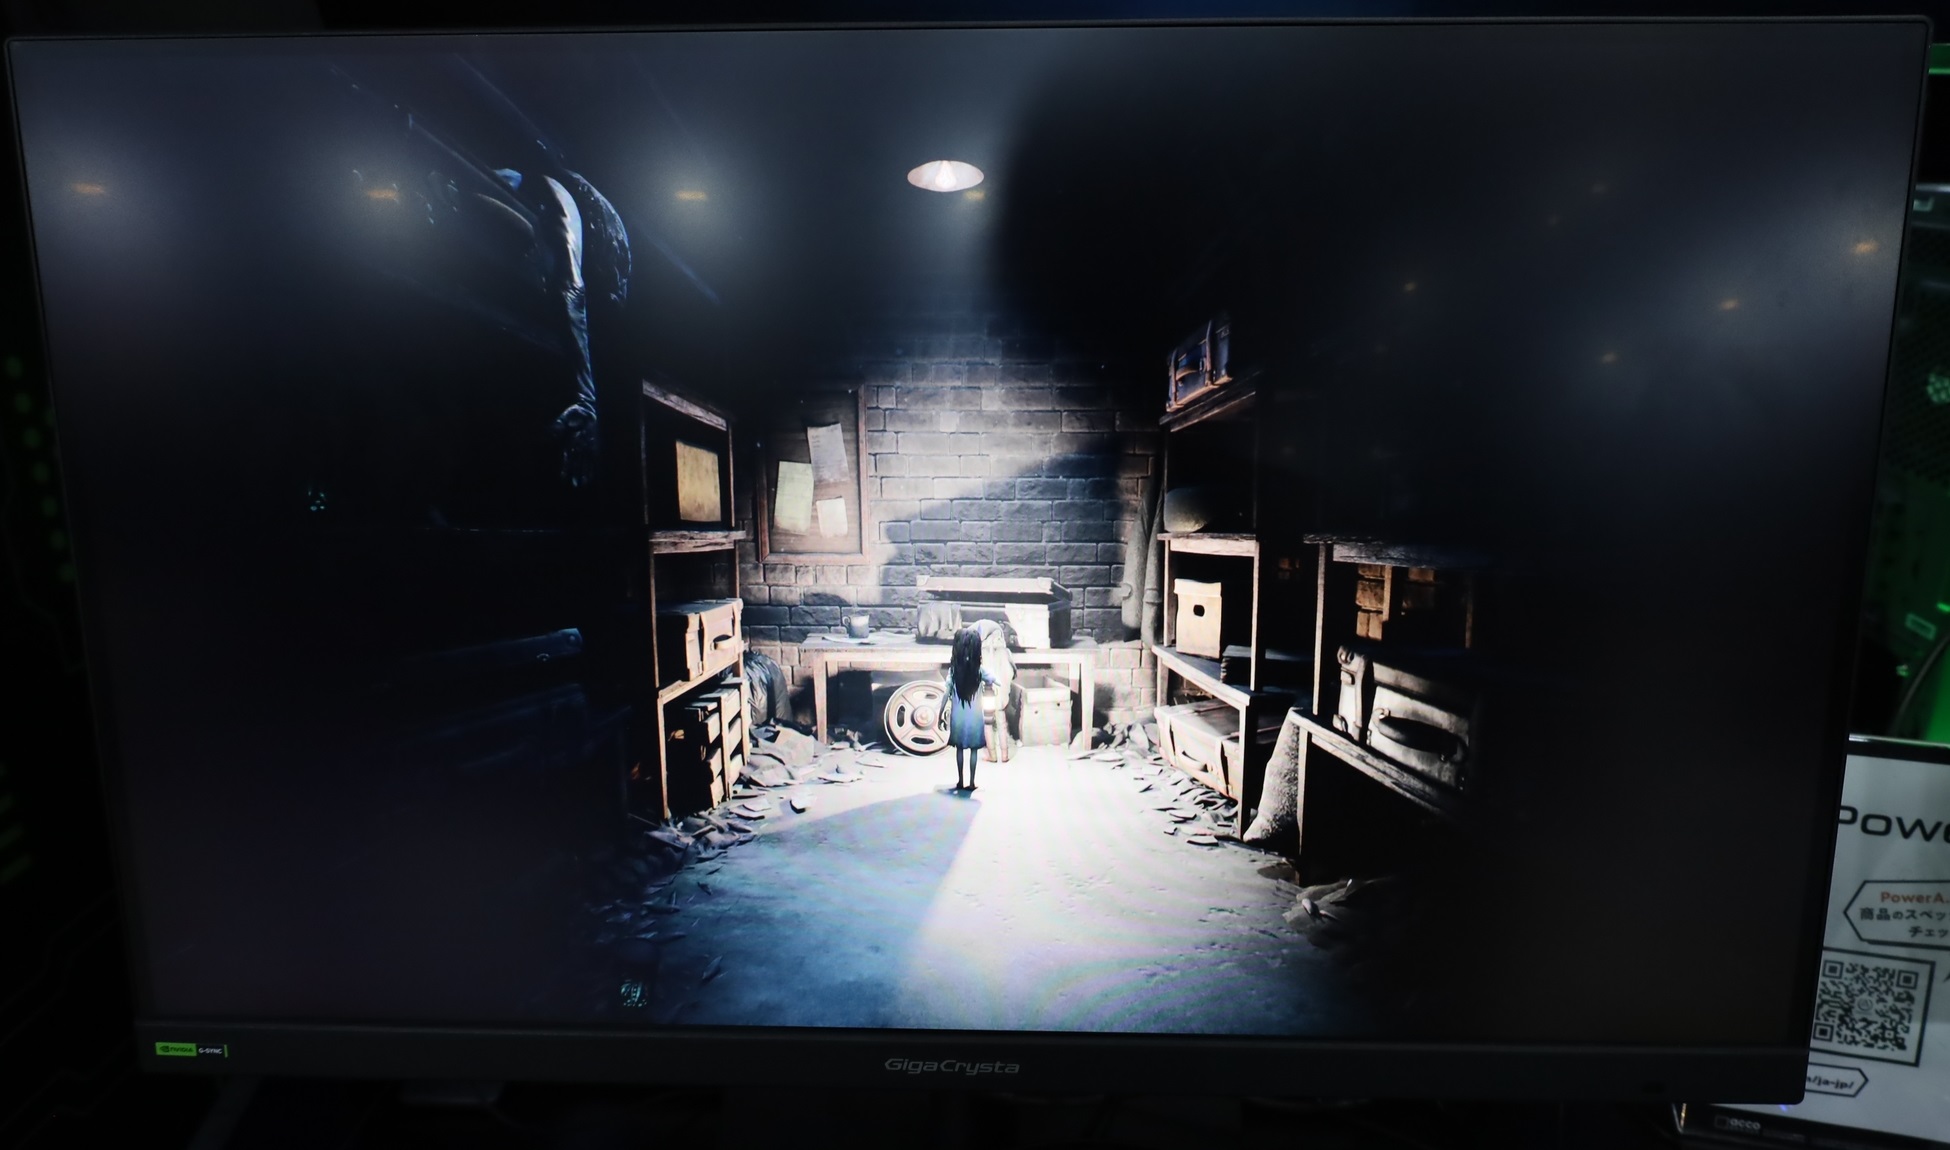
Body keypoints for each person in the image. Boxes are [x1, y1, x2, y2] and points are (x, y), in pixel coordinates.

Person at [939, 626, 996, 791]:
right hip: (975, 717)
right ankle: (971, 782)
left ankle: (960, 781)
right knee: (973, 751)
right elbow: (994, 679)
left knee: (959, 749)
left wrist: (940, 713)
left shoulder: (954, 671)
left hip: (958, 717)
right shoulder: (979, 671)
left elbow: (946, 693)